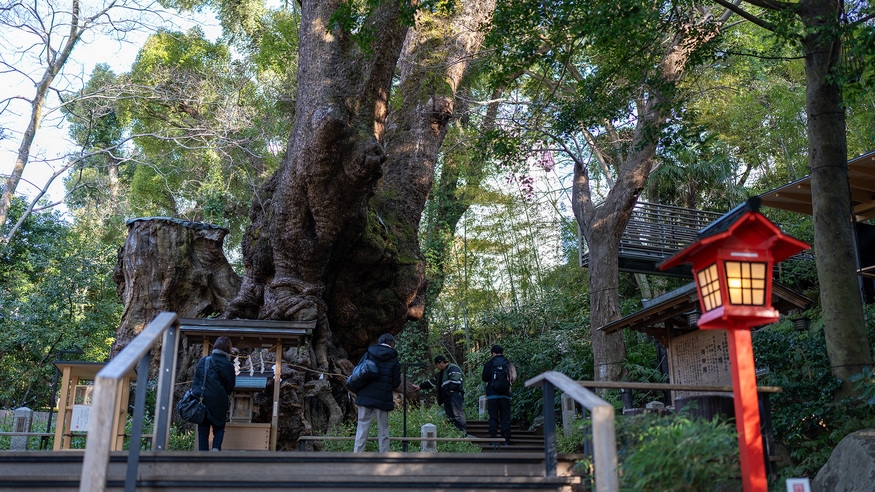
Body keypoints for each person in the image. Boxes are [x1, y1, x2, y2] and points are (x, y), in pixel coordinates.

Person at [353, 333, 401, 453]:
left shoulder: (368, 354)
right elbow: (396, 383)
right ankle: (384, 456)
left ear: (379, 342)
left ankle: (357, 455)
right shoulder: (394, 359)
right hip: (382, 398)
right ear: (392, 343)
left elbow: (358, 372)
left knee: (362, 427)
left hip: (365, 396)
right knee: (383, 429)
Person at [193, 336, 237, 451]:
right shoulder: (228, 365)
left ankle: (203, 458)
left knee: (203, 431)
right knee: (219, 429)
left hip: (202, 402)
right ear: (228, 349)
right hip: (219, 404)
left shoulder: (204, 361)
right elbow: (230, 386)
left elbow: (196, 383)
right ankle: (215, 452)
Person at [413, 355, 467, 434]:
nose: (437, 367)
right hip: (447, 397)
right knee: (450, 416)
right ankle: (455, 434)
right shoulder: (441, 374)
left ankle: (463, 434)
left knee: (457, 415)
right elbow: (432, 382)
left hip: (454, 395)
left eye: (437, 365)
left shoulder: (452, 368)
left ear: (441, 362)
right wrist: (420, 387)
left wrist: (451, 390)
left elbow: (456, 380)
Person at [482, 344, 514, 446]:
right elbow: (513, 377)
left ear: (493, 353)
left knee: (493, 417)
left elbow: (484, 378)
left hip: (492, 395)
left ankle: (493, 440)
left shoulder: (489, 363)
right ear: (502, 352)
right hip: (505, 394)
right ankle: (506, 441)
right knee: (505, 417)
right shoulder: (508, 363)